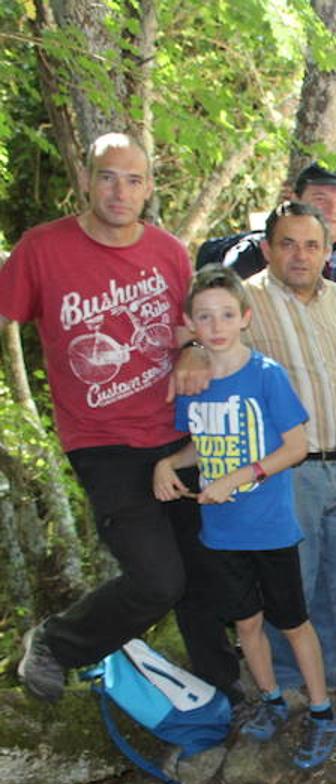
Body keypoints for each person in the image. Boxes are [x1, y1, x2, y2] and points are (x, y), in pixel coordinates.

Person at [5, 133, 238, 703]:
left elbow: (191, 332)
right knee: (158, 580)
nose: (119, 191)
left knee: (201, 573)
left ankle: (219, 691)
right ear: (86, 180)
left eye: (133, 180)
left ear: (148, 188)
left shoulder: (168, 251)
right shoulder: (42, 249)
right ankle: (56, 644)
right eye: (108, 176)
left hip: (176, 434)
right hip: (102, 442)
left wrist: (190, 351)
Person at [152, 265, 336, 769]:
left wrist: (240, 477)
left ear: (245, 318)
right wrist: (170, 462)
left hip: (269, 526)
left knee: (293, 621)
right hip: (220, 532)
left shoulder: (265, 375)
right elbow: (200, 444)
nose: (215, 326)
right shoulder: (194, 383)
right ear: (191, 324)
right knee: (247, 622)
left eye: (226, 315)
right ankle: (273, 700)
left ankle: (323, 713)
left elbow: (297, 447)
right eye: (205, 317)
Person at [242, 201, 336, 694]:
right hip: (285, 472)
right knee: (290, 580)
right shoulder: (246, 303)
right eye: (288, 244)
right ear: (267, 249)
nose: (300, 256)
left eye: (311, 245)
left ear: (327, 251)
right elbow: (207, 346)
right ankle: (287, 678)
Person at [197, 162, 336, 338]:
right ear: (295, 200)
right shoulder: (256, 252)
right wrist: (194, 350)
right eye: (320, 199)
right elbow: (210, 318)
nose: (332, 210)